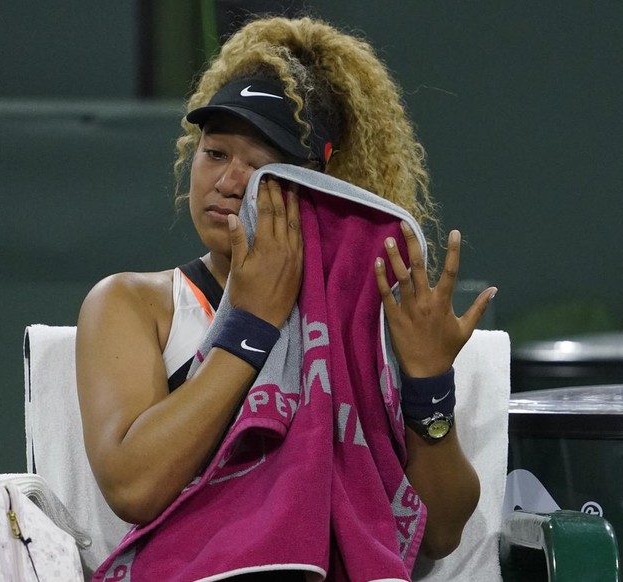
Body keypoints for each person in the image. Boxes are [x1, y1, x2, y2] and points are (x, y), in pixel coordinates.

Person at [76, 14, 497, 581]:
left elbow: (440, 534)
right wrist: (252, 323)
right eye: (215, 152)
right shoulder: (133, 303)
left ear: (315, 185)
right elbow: (134, 487)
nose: (227, 181)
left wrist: (427, 385)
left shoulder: (369, 317)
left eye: (259, 164)